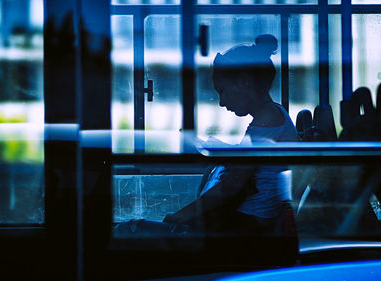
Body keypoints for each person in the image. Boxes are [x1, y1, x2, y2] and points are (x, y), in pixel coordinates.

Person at [115, 34, 298, 238]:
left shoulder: (267, 118)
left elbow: (233, 184)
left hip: (247, 228)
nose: (221, 102)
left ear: (244, 82)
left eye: (223, 91)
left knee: (132, 230)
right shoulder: (274, 114)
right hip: (245, 222)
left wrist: (180, 216)